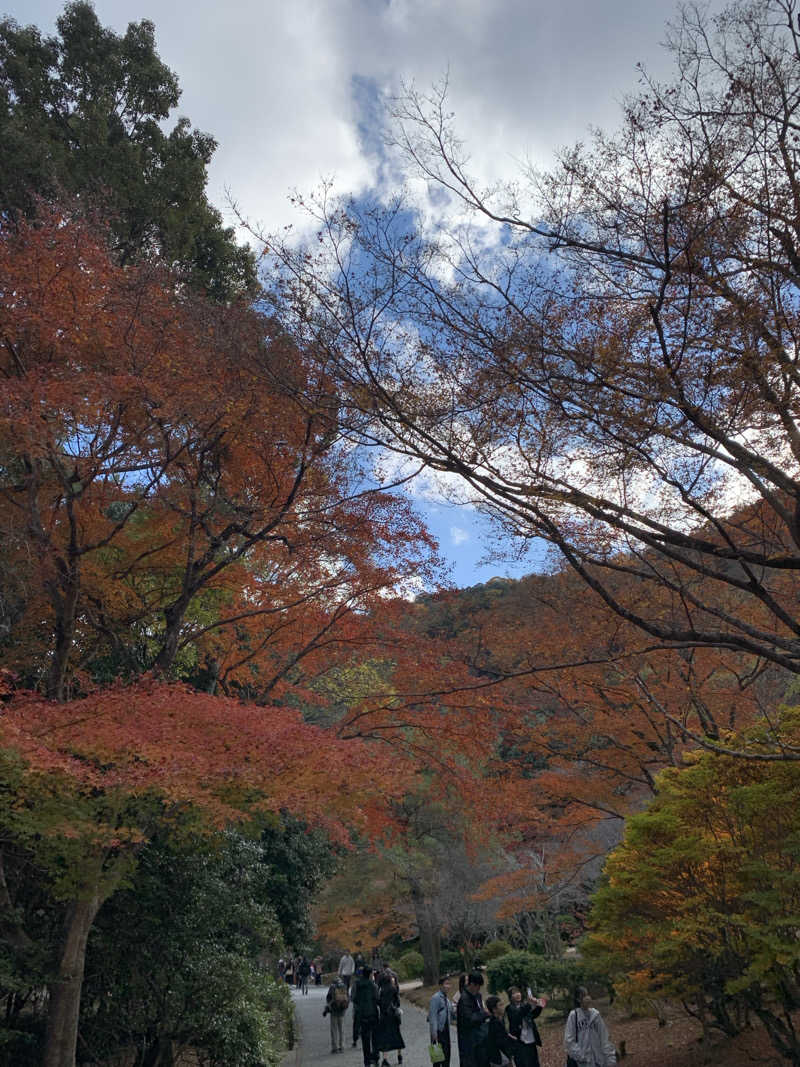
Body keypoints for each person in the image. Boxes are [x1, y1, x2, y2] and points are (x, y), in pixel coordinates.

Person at [564, 987, 616, 1067]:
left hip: (598, 1061)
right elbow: (569, 1041)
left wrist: (610, 1059)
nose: (587, 998)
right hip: (582, 1063)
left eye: (587, 995)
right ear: (578, 999)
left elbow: (604, 1037)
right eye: (584, 996)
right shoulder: (574, 1016)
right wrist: (582, 1057)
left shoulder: (596, 1015)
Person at [456, 970, 490, 1067]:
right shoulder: (464, 999)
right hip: (469, 1040)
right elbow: (470, 1018)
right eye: (477, 986)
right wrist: (484, 1014)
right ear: (471, 984)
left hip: (480, 1038)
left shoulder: (477, 996)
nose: (478, 988)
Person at [504, 987, 543, 1067]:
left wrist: (539, 1005)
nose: (518, 994)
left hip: (531, 1040)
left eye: (518, 992)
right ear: (510, 997)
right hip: (520, 1043)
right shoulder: (510, 1008)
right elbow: (518, 1015)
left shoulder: (524, 1005)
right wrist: (529, 1004)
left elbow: (532, 1015)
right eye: (514, 993)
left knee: (535, 1064)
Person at [375, 969, 405, 1067]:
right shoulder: (393, 989)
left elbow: (378, 1002)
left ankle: (385, 1059)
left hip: (384, 1016)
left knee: (385, 1038)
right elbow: (398, 1002)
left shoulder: (381, 991)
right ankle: (399, 1056)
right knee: (397, 1034)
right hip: (393, 1016)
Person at [352, 964, 380, 1067]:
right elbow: (377, 999)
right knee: (375, 1038)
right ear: (370, 974)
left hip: (361, 1015)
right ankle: (376, 1058)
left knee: (365, 1039)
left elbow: (353, 998)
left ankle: (366, 1061)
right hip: (373, 1014)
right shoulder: (373, 985)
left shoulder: (357, 984)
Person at [428, 975, 455, 1067]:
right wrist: (434, 1033)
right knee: (437, 1059)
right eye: (446, 984)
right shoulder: (435, 998)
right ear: (440, 985)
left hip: (446, 1032)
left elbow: (451, 1012)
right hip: (438, 1032)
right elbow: (432, 1016)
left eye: (449, 984)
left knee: (446, 1057)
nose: (448, 986)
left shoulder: (447, 999)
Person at [486, 995, 518, 1066]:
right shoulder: (494, 1023)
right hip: (500, 1059)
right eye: (500, 1005)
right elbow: (501, 1042)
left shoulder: (500, 1020)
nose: (503, 1007)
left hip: (503, 1057)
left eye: (502, 1004)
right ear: (494, 1009)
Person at [324, 975, 350, 1053]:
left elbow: (328, 998)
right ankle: (342, 1046)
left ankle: (335, 1047)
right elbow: (348, 998)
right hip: (342, 1011)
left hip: (334, 1012)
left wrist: (328, 1007)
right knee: (342, 1030)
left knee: (334, 1030)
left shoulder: (332, 987)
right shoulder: (344, 986)